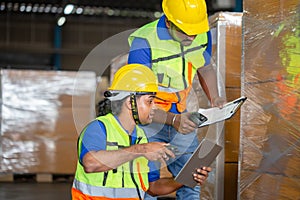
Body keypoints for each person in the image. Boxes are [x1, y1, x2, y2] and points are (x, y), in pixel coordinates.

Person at [127, 0, 226, 199]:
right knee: (147, 186)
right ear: (169, 23)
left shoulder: (201, 34)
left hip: (180, 117)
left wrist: (215, 98)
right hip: (148, 122)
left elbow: (204, 67)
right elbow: (138, 104)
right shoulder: (144, 42)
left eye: (195, 31)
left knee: (191, 179)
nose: (191, 36)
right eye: (185, 31)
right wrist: (173, 120)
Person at [71, 64, 212, 200]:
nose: (154, 108)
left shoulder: (142, 137)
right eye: (149, 101)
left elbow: (153, 187)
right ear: (129, 102)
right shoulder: (99, 128)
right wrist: (141, 150)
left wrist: (185, 178)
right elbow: (91, 164)